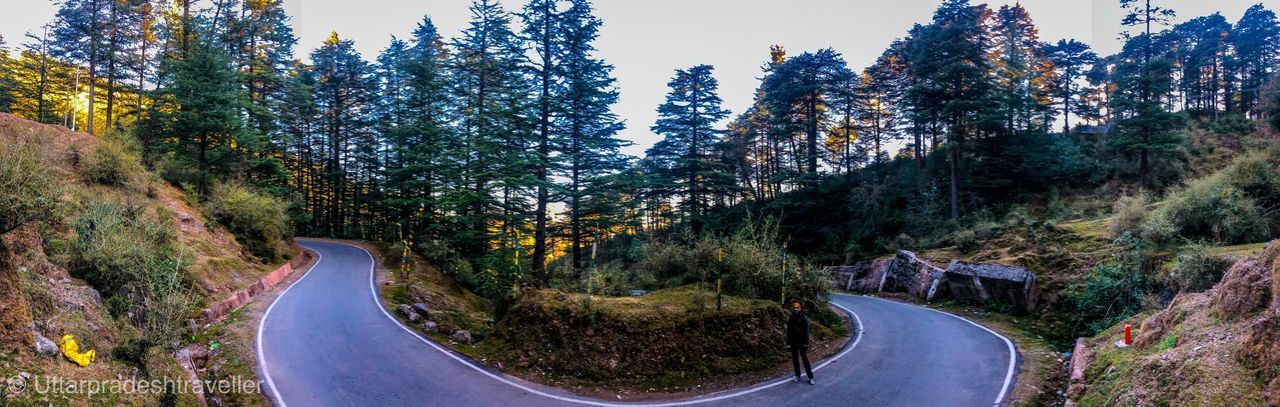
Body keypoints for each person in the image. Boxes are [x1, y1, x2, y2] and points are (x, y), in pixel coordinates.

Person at [786, 301, 815, 385]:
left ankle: (810, 377)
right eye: (794, 307)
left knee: (804, 359)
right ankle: (797, 375)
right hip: (794, 342)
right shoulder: (791, 318)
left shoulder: (804, 318)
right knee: (795, 359)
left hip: (802, 342)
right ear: (793, 308)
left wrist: (806, 343)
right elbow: (789, 331)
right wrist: (788, 343)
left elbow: (806, 331)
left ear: (800, 308)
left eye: (797, 307)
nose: (796, 309)